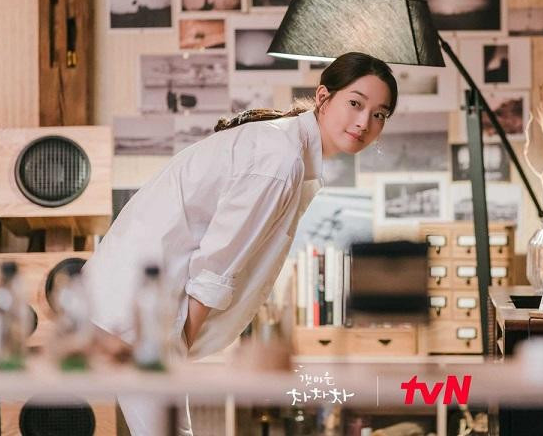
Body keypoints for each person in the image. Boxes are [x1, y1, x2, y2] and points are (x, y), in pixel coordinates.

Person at [82, 51, 397, 436]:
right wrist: (179, 348)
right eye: (355, 103)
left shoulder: (283, 147)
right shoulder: (280, 159)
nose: (365, 122)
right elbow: (215, 268)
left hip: (127, 302)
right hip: (135, 311)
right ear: (322, 97)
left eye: (380, 114)